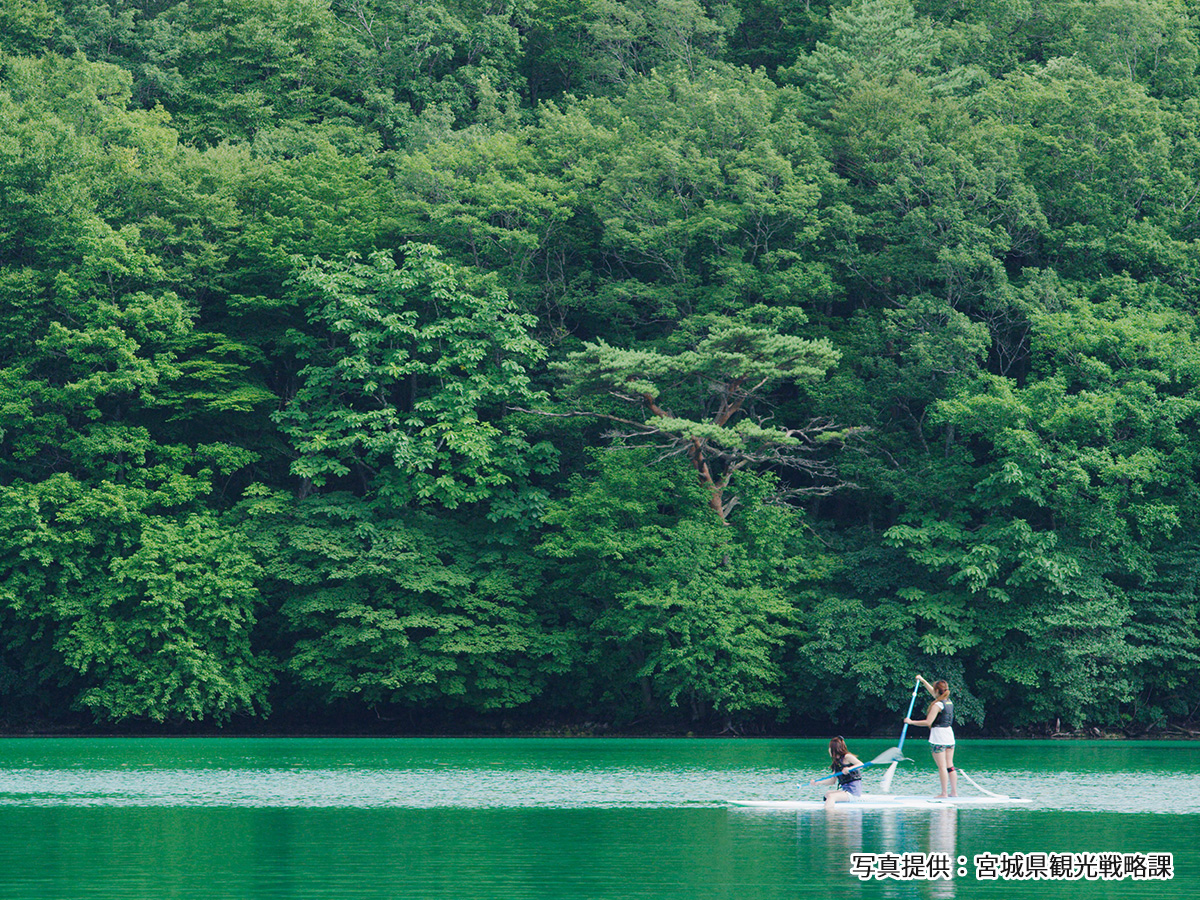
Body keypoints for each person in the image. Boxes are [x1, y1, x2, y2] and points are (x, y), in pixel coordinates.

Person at [903, 675, 957, 797]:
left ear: (938, 691)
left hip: (939, 737)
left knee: (942, 767)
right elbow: (933, 692)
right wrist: (922, 680)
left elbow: (928, 722)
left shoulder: (937, 705)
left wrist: (910, 722)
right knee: (950, 766)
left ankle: (944, 793)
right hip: (949, 736)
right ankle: (954, 792)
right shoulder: (948, 702)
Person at [814, 736, 863, 807]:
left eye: (830, 748)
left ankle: (829, 814)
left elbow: (861, 764)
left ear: (834, 749)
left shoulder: (847, 757)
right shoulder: (836, 763)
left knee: (831, 797)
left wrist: (849, 769)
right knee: (827, 794)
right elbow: (832, 781)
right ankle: (831, 808)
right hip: (845, 790)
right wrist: (818, 782)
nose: (829, 750)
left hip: (853, 792)